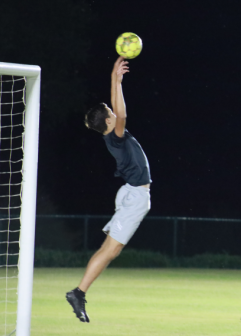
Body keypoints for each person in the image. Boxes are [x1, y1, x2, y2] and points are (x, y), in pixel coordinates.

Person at [65, 56, 152, 323]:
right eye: (111, 114)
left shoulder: (113, 137)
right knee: (110, 251)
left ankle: (78, 292)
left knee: (110, 250)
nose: (116, 114)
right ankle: (78, 293)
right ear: (109, 122)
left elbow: (118, 112)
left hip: (130, 192)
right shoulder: (116, 136)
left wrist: (115, 79)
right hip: (135, 195)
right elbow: (122, 113)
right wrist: (116, 80)